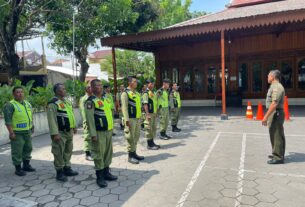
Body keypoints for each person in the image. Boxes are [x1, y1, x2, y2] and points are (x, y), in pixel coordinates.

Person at [84, 79, 118, 188]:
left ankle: (107, 172)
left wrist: (112, 128)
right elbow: (90, 120)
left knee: (108, 153)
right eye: (97, 85)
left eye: (101, 85)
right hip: (98, 133)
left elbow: (108, 114)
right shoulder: (90, 101)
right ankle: (100, 177)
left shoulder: (105, 99)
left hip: (108, 131)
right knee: (99, 154)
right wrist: (93, 135)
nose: (100, 87)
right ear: (92, 88)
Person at [47, 83, 78, 182]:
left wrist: (74, 126)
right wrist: (55, 133)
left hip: (69, 131)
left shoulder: (66, 102)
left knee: (68, 150)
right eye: (62, 89)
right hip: (60, 132)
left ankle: (67, 168)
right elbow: (51, 119)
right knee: (58, 152)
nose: (65, 90)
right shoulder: (53, 103)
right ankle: (59, 172)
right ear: (57, 91)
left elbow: (71, 114)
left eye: (65, 89)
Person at [4, 86, 36, 176]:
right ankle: (18, 169)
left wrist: (32, 125)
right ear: (13, 94)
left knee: (28, 148)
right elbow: (8, 121)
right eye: (17, 92)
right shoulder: (10, 105)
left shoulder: (27, 104)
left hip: (27, 131)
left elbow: (30, 116)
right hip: (17, 133)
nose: (20, 94)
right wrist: (11, 132)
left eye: (21, 92)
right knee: (17, 150)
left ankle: (26, 165)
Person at [262, 70, 286, 164]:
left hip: (276, 113)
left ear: (273, 77)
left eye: (268, 76)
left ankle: (278, 157)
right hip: (276, 113)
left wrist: (265, 117)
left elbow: (274, 103)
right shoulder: (274, 86)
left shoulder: (276, 87)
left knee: (276, 134)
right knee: (277, 134)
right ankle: (278, 152)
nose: (267, 77)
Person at [121, 76, 144, 164]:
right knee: (130, 137)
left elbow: (139, 106)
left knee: (136, 136)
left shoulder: (137, 93)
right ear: (130, 83)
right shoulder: (125, 93)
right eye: (135, 81)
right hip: (130, 119)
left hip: (137, 118)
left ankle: (134, 153)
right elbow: (124, 108)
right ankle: (130, 156)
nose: (136, 83)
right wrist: (127, 120)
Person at [142, 80, 160, 150]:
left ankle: (152, 142)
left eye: (153, 84)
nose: (153, 85)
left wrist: (156, 112)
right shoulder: (146, 93)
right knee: (149, 129)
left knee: (153, 128)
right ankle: (149, 144)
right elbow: (145, 104)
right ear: (147, 84)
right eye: (151, 84)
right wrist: (147, 114)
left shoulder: (153, 92)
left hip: (154, 113)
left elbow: (155, 102)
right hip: (149, 114)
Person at [79, 85, 93, 161]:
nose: (91, 89)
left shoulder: (93, 97)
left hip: (94, 120)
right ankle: (87, 154)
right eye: (89, 88)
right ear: (86, 90)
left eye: (91, 87)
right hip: (87, 121)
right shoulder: (84, 99)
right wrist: (86, 121)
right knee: (87, 136)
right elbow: (83, 111)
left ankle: (92, 151)